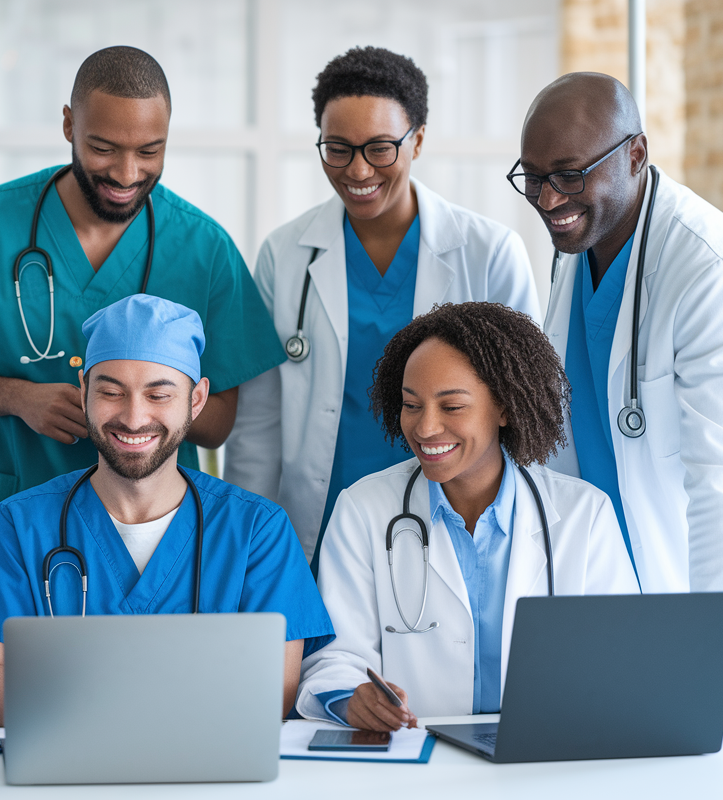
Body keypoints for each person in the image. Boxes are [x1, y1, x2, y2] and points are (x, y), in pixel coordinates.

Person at [0, 46, 285, 539]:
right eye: (103, 148)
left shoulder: (205, 249)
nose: (126, 173)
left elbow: (220, 420)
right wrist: (18, 397)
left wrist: (141, 412)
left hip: (150, 528)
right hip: (10, 514)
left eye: (149, 151)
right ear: (68, 125)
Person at [513, 72, 723, 724]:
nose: (548, 197)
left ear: (635, 154)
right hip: (614, 604)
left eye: (569, 174)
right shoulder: (576, 249)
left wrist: (721, 658)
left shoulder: (714, 267)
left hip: (712, 617)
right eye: (531, 176)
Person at [0, 295, 334, 725]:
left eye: (159, 395)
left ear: (197, 399)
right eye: (111, 392)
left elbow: (271, 695)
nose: (133, 417)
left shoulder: (258, 531)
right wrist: (184, 691)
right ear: (84, 390)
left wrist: (77, 690)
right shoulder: (17, 526)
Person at [226, 47, 539, 566]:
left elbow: (522, 408)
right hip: (318, 528)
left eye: (379, 148)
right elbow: (257, 426)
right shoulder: (284, 256)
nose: (357, 169)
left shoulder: (488, 253)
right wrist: (246, 550)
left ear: (417, 139)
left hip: (454, 516)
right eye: (338, 148)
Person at [297, 302, 638, 729]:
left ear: (505, 408)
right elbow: (335, 659)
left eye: (451, 406)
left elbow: (621, 662)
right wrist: (352, 700)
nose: (425, 429)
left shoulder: (584, 515)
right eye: (412, 405)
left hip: (542, 757)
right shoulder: (362, 510)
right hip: (416, 760)